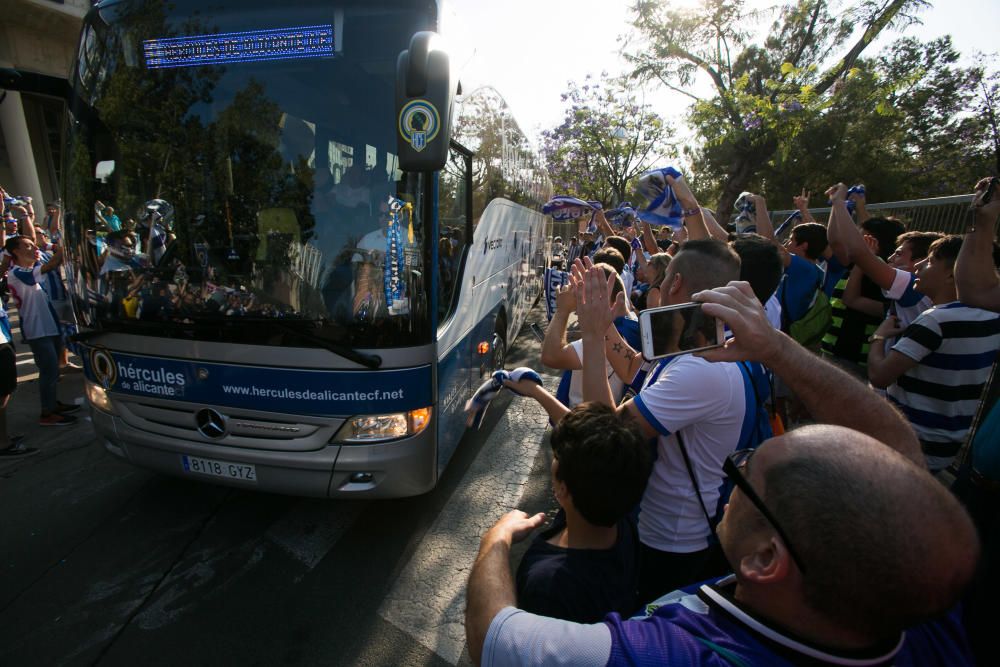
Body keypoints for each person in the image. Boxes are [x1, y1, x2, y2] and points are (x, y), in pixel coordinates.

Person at [467, 281, 979, 667]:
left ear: (765, 559)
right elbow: (902, 453)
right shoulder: (918, 605)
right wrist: (778, 350)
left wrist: (495, 541)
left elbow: (495, 638)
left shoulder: (679, 652)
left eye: (747, 474)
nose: (737, 465)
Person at [866, 235, 1000, 473]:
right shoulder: (991, 319)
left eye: (930, 260)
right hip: (944, 446)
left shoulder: (936, 320)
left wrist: (878, 337)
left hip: (908, 442)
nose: (918, 265)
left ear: (953, 274)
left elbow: (879, 375)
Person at [515, 401, 652, 623]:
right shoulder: (623, 524)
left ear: (562, 489)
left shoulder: (546, 585)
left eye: (557, 457)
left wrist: (497, 542)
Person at [4, 236, 79, 426]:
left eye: (34, 245)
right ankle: (47, 413)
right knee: (48, 370)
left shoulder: (28, 270)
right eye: (28, 246)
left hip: (48, 327)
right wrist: (64, 249)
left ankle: (52, 403)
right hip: (37, 330)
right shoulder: (17, 272)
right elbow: (51, 265)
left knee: (53, 370)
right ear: (16, 252)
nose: (34, 248)